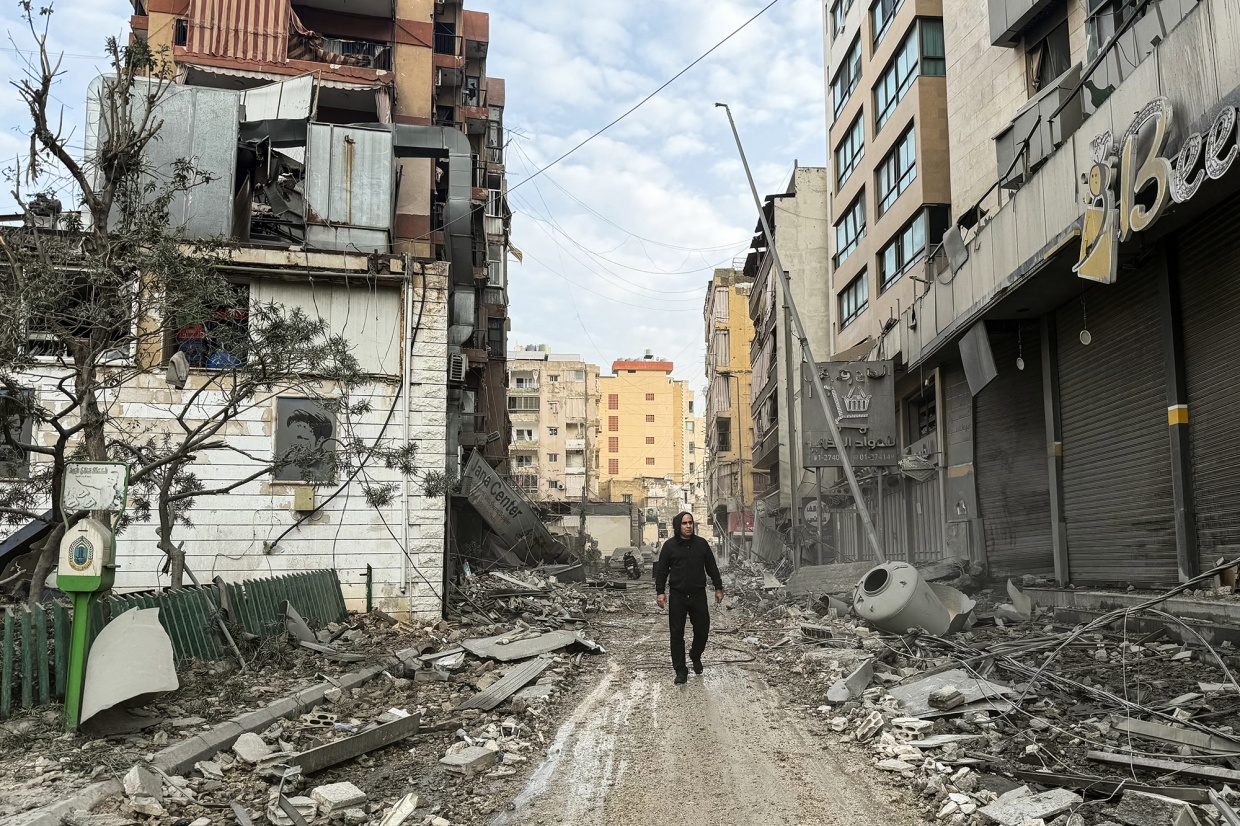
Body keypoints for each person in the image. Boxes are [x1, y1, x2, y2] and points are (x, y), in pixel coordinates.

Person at [655, 511, 724, 685]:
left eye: (690, 523)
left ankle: (695, 655)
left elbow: (711, 567)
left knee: (702, 630)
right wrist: (660, 592)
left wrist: (718, 587)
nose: (688, 526)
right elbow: (662, 571)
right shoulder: (669, 546)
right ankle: (680, 670)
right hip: (678, 596)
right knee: (676, 634)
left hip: (698, 595)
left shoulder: (701, 544)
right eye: (684, 523)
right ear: (678, 526)